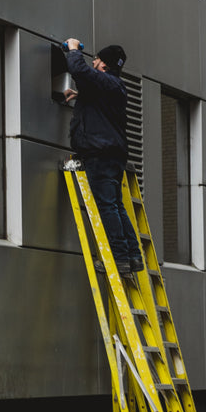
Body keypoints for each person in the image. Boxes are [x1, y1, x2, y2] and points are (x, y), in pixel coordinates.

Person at [63, 38, 144, 279]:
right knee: (116, 205)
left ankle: (119, 259)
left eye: (96, 59)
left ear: (104, 65)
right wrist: (80, 96)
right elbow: (100, 104)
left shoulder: (108, 81)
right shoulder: (114, 86)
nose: (94, 61)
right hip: (112, 154)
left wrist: (73, 49)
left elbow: (78, 69)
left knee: (107, 205)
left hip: (100, 153)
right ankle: (133, 256)